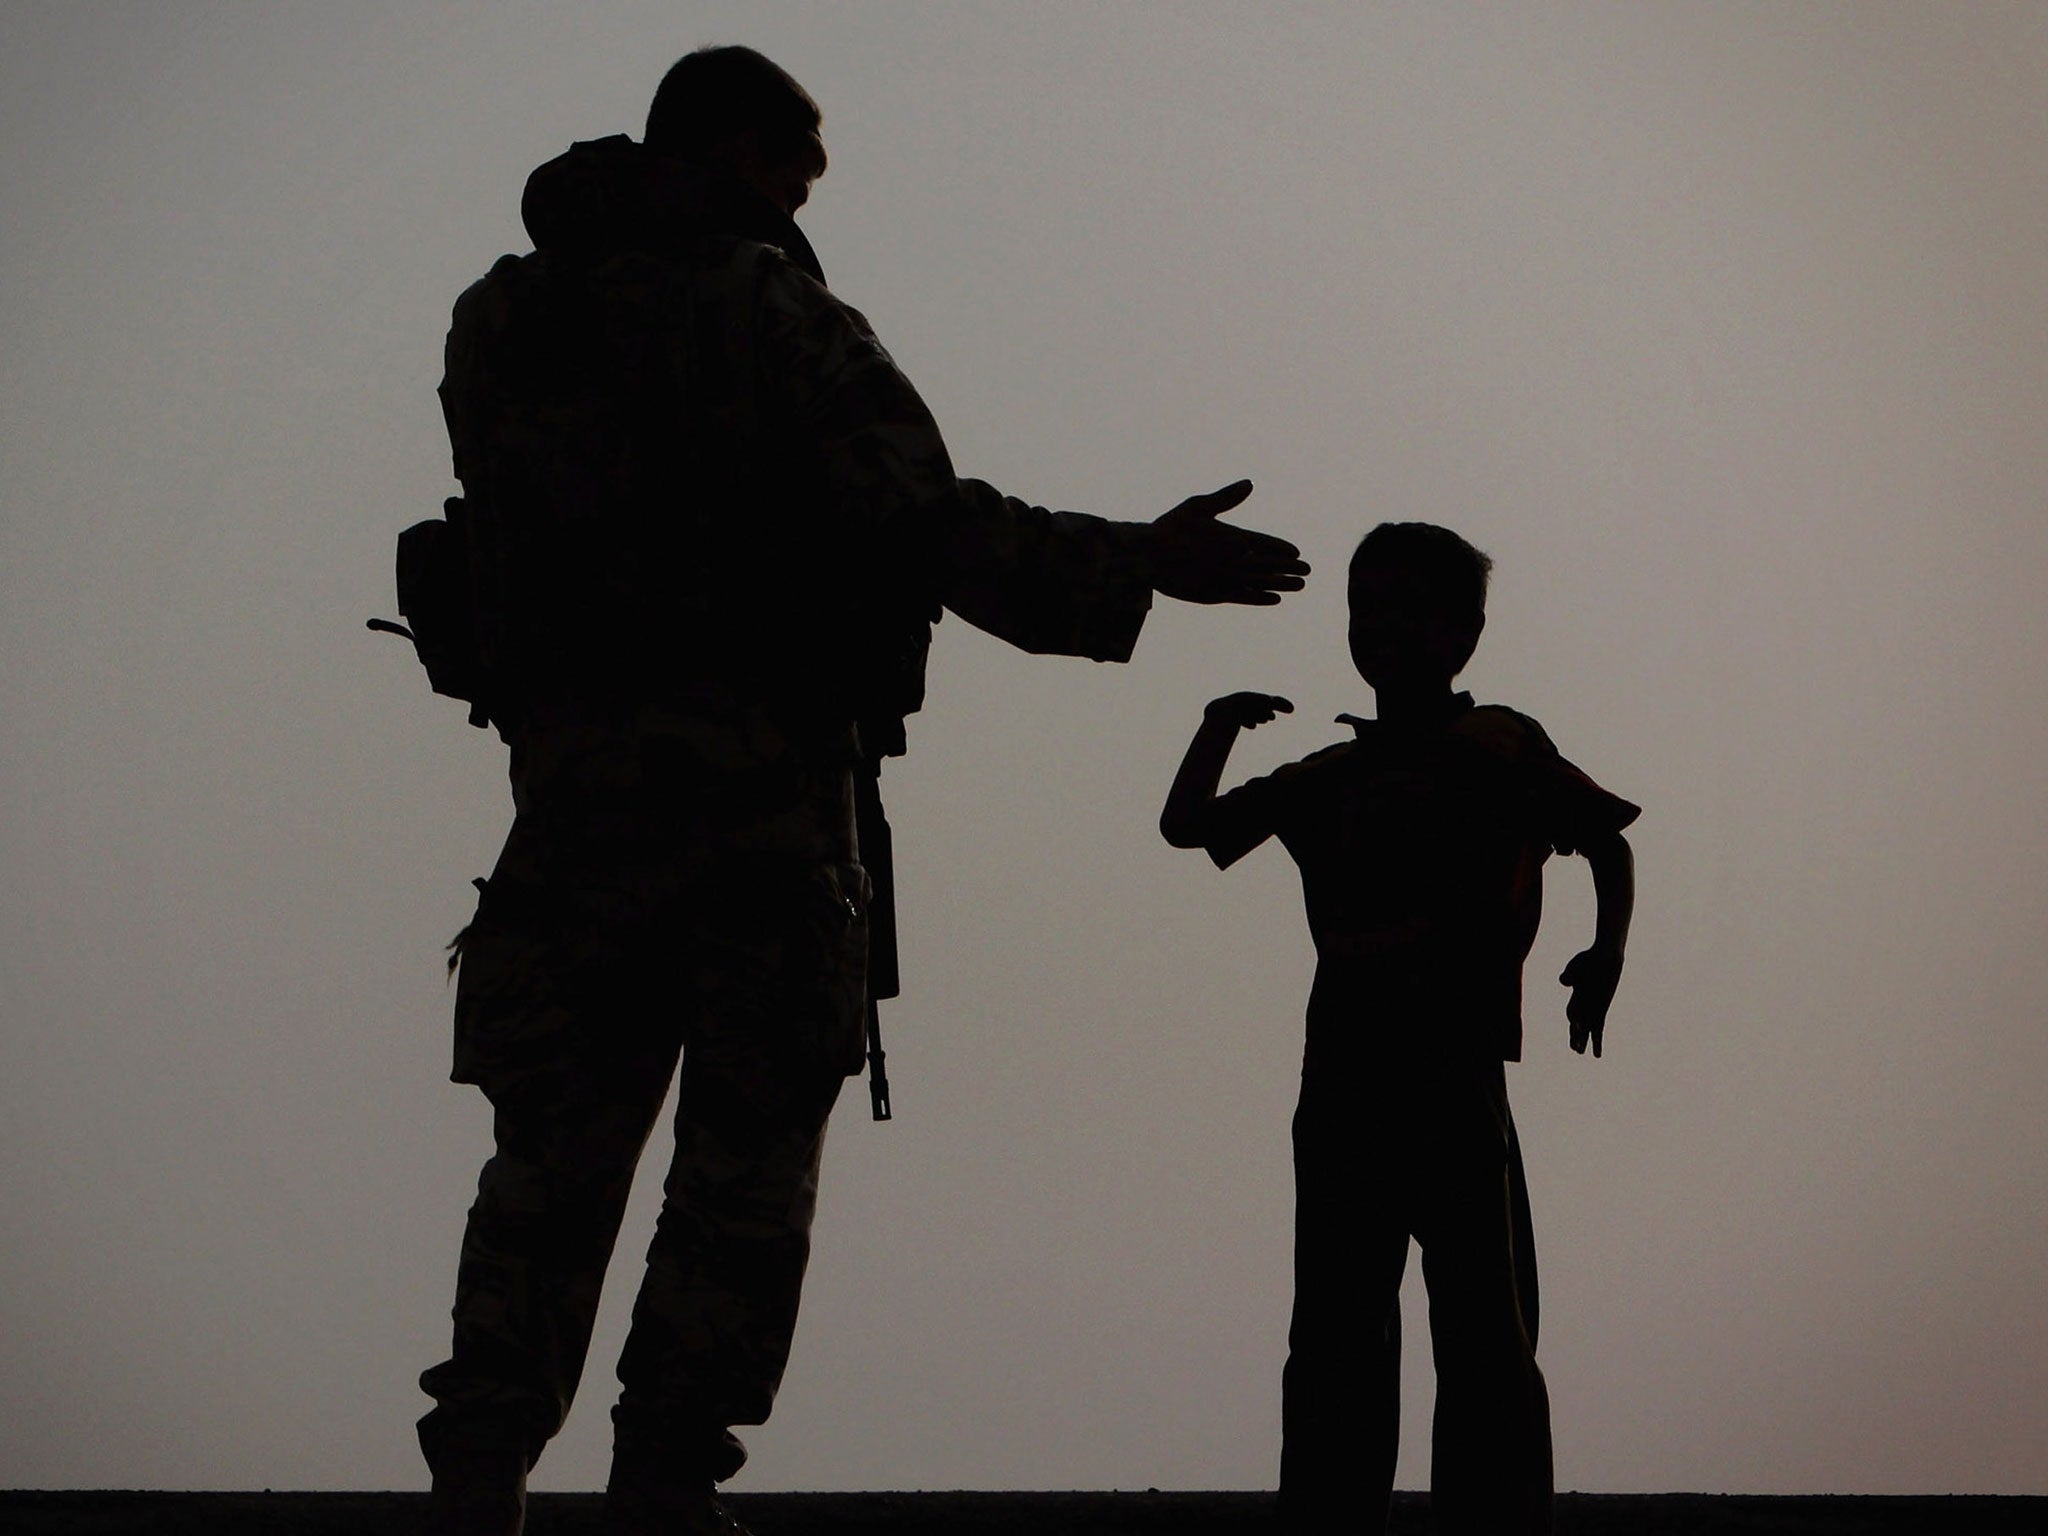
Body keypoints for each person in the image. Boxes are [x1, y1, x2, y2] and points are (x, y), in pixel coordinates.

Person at [414, 44, 1308, 1536]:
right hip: (759, 818)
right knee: (742, 1180)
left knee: (547, 1170)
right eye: (785, 164)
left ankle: (478, 1480)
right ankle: (664, 1489)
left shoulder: (498, 321)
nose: (799, 197)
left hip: (572, 813)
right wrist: (1143, 561)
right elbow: (928, 529)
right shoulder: (770, 310)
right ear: (704, 151)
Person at [1159, 522, 1637, 1535]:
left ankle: (1494, 1515)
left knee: (1482, 1327)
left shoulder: (1498, 744)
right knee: (1336, 1330)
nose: (1383, 629)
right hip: (1339, 1084)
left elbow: (1600, 839)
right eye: (1365, 608)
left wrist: (1604, 957)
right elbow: (1190, 828)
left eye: (1411, 610)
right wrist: (1216, 724)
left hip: (1456, 1073)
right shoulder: (1327, 778)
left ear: (1462, 634)